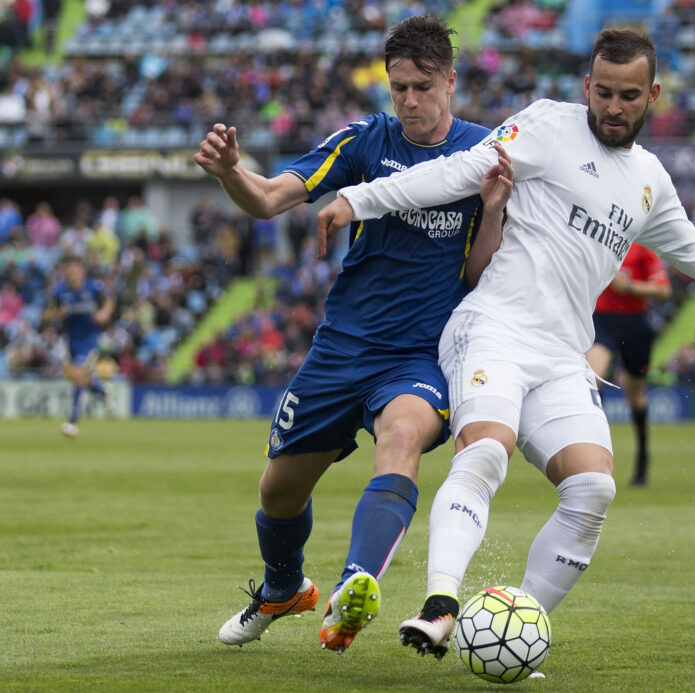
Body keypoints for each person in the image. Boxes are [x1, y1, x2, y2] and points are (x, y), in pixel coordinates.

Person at [315, 28, 695, 658]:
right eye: (604, 92)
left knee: (594, 489)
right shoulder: (545, 128)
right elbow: (456, 173)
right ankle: (441, 606)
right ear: (588, 86)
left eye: (629, 96)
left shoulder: (649, 180)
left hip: (563, 356)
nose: (613, 107)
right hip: (493, 329)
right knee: (487, 453)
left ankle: (514, 631)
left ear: (653, 96)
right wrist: (357, 198)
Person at [193, 16, 511, 653]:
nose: (410, 100)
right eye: (398, 88)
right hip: (341, 349)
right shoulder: (366, 141)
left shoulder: (484, 153)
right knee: (278, 494)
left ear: (451, 80)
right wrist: (231, 172)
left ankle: (352, 587)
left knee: (400, 438)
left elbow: (479, 275)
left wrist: (496, 209)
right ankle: (284, 587)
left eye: (422, 86)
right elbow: (268, 198)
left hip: (419, 355)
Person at [585, 243, 671, 487]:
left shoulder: (643, 249)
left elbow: (664, 290)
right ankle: (592, 460)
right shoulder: (600, 240)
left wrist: (630, 287)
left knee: (636, 397)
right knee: (592, 382)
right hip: (602, 321)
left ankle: (643, 459)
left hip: (635, 324)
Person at [44, 256, 114, 437]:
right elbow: (46, 314)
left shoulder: (93, 288)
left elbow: (109, 300)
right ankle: (101, 390)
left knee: (77, 374)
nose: (72, 274)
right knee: (80, 377)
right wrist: (55, 314)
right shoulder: (59, 292)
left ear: (82, 272)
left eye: (75, 270)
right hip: (71, 342)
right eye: (68, 271)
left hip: (90, 340)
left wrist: (104, 313)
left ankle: (72, 422)